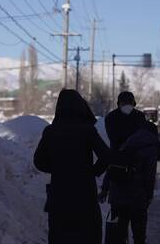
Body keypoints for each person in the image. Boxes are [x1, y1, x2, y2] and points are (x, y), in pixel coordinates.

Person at [33, 89, 110, 244]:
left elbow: (39, 161)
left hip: (59, 197)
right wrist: (92, 171)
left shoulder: (51, 131)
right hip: (85, 196)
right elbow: (106, 156)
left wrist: (58, 169)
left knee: (60, 236)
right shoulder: (87, 130)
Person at [99, 122, 160, 244]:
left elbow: (112, 167)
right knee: (139, 235)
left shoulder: (127, 142)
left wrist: (105, 189)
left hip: (117, 195)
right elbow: (150, 175)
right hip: (137, 197)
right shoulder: (151, 147)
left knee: (119, 235)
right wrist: (148, 196)